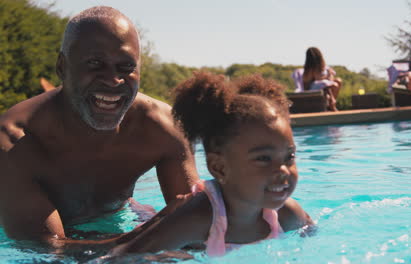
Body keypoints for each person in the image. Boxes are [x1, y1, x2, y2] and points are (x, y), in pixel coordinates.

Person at [0, 6, 198, 246]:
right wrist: (151, 238)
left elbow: (197, 232)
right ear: (62, 67)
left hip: (119, 218)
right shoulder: (14, 140)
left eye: (126, 67)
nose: (113, 80)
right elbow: (47, 250)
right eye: (95, 63)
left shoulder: (164, 129)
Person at [106, 72, 313, 258]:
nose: (283, 170)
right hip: (159, 225)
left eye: (289, 156)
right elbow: (121, 257)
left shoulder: (288, 214)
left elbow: (314, 240)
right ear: (219, 168)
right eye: (263, 159)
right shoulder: (198, 217)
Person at [299, 47, 342, 111]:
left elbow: (327, 80)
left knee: (337, 81)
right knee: (328, 85)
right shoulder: (309, 70)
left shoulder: (323, 68)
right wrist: (327, 76)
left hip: (324, 88)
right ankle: (331, 104)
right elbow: (318, 81)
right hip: (311, 90)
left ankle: (331, 103)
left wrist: (329, 75)